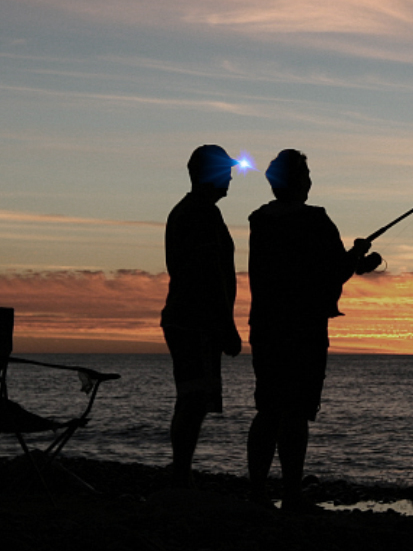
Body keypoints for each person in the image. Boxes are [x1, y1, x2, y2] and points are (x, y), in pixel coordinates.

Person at [246, 149, 381, 510]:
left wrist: (352, 260)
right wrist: (358, 256)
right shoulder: (317, 221)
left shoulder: (259, 221)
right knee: (296, 411)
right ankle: (291, 494)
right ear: (299, 181)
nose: (309, 180)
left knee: (269, 408)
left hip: (266, 326)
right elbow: (333, 270)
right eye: (305, 173)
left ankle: (256, 491)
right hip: (304, 329)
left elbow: (306, 269)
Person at [161, 144, 244, 488]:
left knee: (192, 398)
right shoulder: (200, 213)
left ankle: (182, 471)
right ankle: (181, 474)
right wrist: (227, 326)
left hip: (190, 319)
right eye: (225, 171)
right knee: (193, 398)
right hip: (195, 322)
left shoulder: (193, 211)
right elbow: (209, 276)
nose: (229, 178)